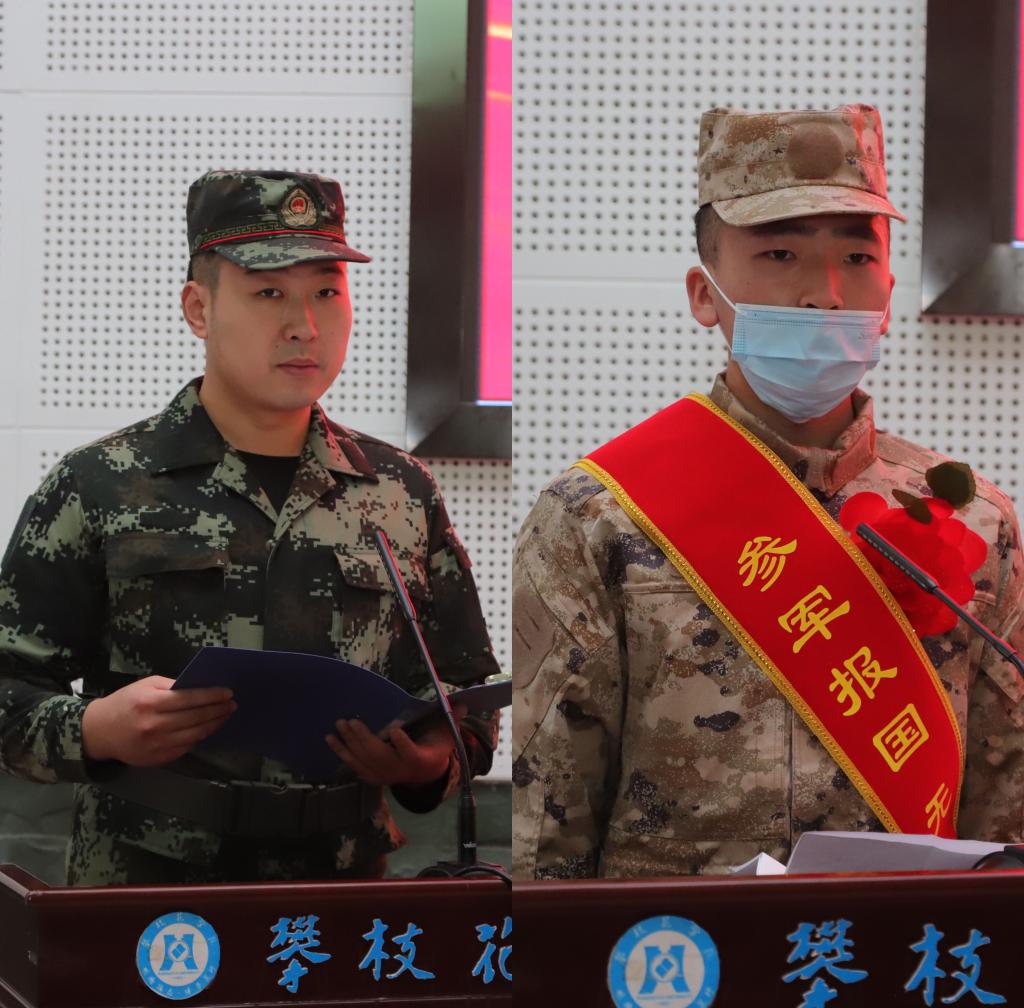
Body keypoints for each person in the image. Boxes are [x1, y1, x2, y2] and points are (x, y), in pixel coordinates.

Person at [512, 105, 1024, 880]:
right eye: (780, 253)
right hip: (674, 947)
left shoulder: (975, 518)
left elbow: (1002, 824)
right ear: (704, 293)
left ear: (889, 289)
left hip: (901, 944)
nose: (825, 294)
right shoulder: (597, 515)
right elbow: (550, 829)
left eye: (858, 256)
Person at [0, 169, 499, 885]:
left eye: (326, 292)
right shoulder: (99, 483)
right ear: (198, 309)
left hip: (342, 891)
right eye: (269, 294)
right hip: (149, 890)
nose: (305, 327)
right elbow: (9, 690)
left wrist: (430, 762)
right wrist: (95, 729)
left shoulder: (399, 492)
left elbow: (467, 693)